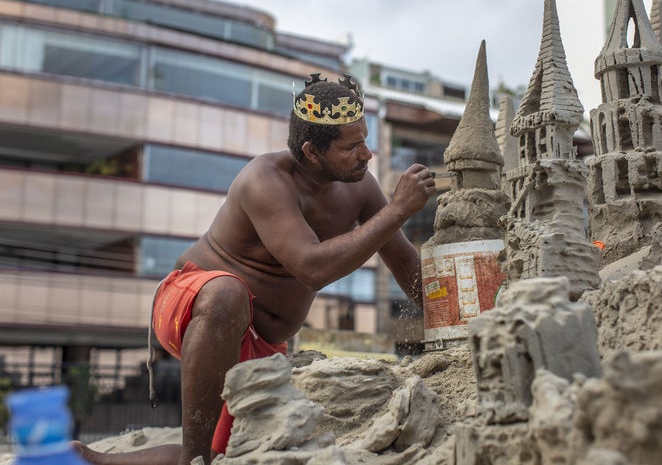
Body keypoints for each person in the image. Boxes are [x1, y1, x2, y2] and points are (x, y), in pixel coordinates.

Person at [75, 73, 436, 465]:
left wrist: (454, 318)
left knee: (217, 456)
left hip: (260, 344)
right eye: (352, 147)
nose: (366, 155)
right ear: (312, 151)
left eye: (365, 140)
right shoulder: (265, 180)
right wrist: (398, 210)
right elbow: (311, 268)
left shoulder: (361, 186)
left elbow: (403, 262)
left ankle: (89, 459)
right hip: (194, 305)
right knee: (228, 293)